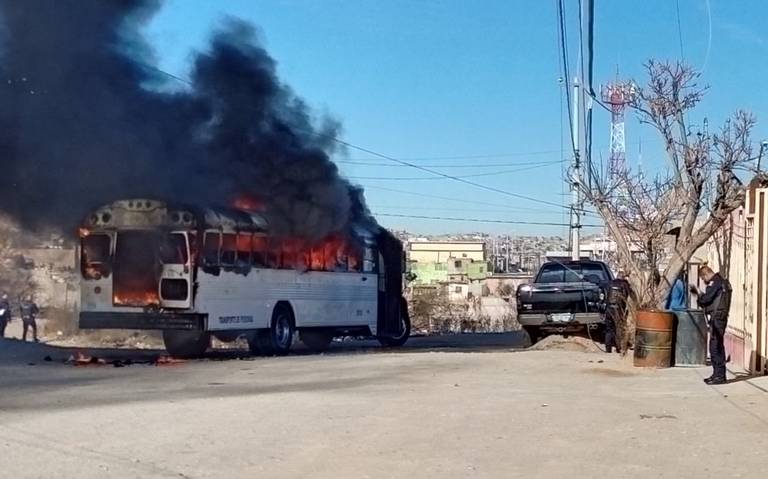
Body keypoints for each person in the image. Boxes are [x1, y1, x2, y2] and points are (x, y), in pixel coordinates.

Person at [691, 266, 732, 385]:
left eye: (703, 278)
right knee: (717, 345)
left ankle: (719, 376)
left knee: (715, 347)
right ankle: (717, 374)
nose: (704, 281)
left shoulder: (716, 283)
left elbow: (706, 299)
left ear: (706, 274)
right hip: (719, 317)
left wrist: (698, 295)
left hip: (717, 318)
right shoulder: (721, 282)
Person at [605, 270, 631, 354]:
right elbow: (629, 295)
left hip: (609, 309)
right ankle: (618, 348)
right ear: (623, 277)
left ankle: (608, 349)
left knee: (609, 329)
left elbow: (606, 295)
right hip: (618, 310)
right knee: (618, 329)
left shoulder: (610, 283)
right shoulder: (624, 284)